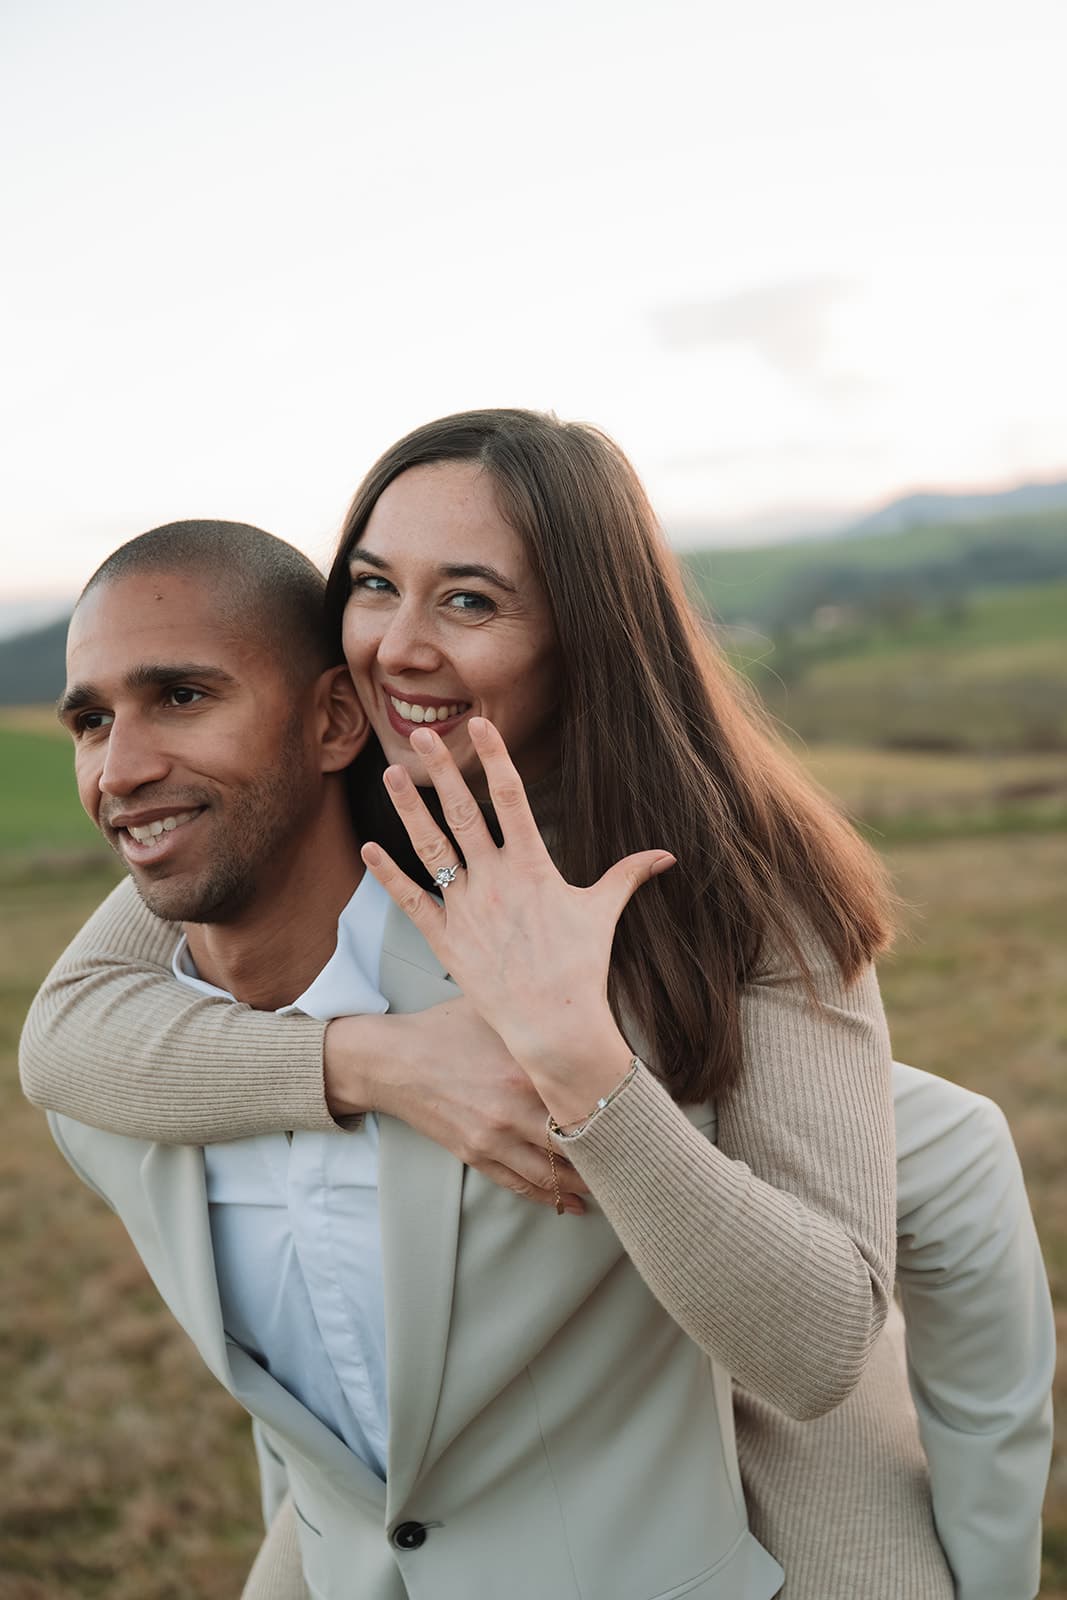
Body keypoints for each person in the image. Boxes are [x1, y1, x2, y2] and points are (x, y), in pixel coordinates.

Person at [20, 414, 1051, 1592]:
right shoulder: (330, 793)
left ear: (583, 635)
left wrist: (575, 1061)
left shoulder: (719, 896)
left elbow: (936, 1172)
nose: (395, 648)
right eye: (371, 585)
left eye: (467, 601)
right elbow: (68, 1028)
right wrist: (383, 1063)